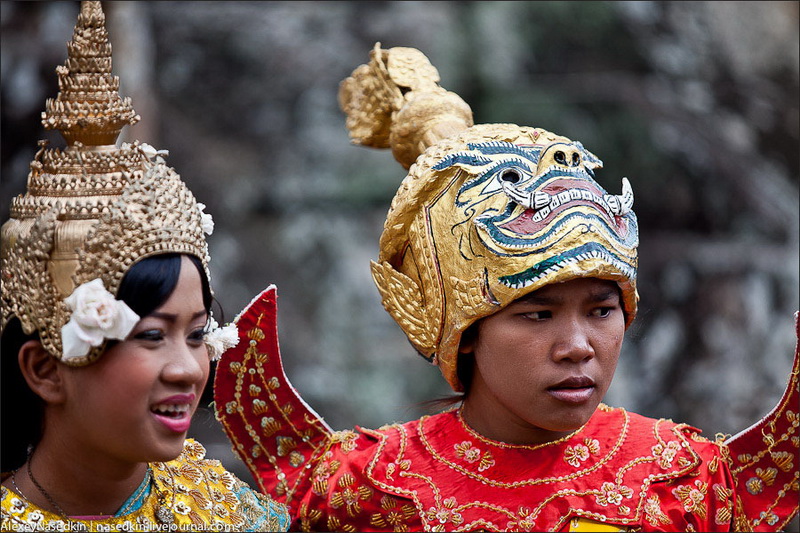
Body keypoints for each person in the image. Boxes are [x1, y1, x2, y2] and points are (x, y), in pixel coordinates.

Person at [213, 44, 799, 532]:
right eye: (538, 316)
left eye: (601, 310)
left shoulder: (685, 480)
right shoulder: (368, 491)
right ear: (464, 333)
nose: (578, 345)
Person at [0, 2, 289, 531]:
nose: (187, 369)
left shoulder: (233, 516)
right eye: (153, 336)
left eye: (198, 334)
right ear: (45, 370)